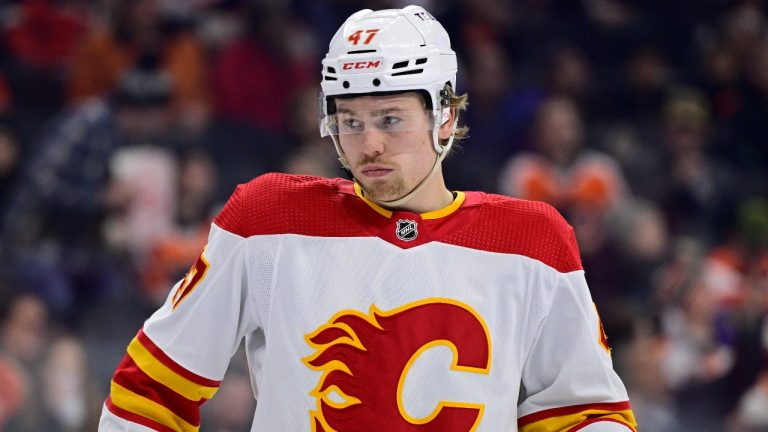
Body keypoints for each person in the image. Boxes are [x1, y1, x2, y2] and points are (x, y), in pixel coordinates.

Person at [98, 6, 637, 431]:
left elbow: (584, 415)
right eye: (349, 120)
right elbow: (150, 392)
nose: (368, 144)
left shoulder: (531, 240)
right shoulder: (267, 218)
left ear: (444, 115)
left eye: (390, 118)